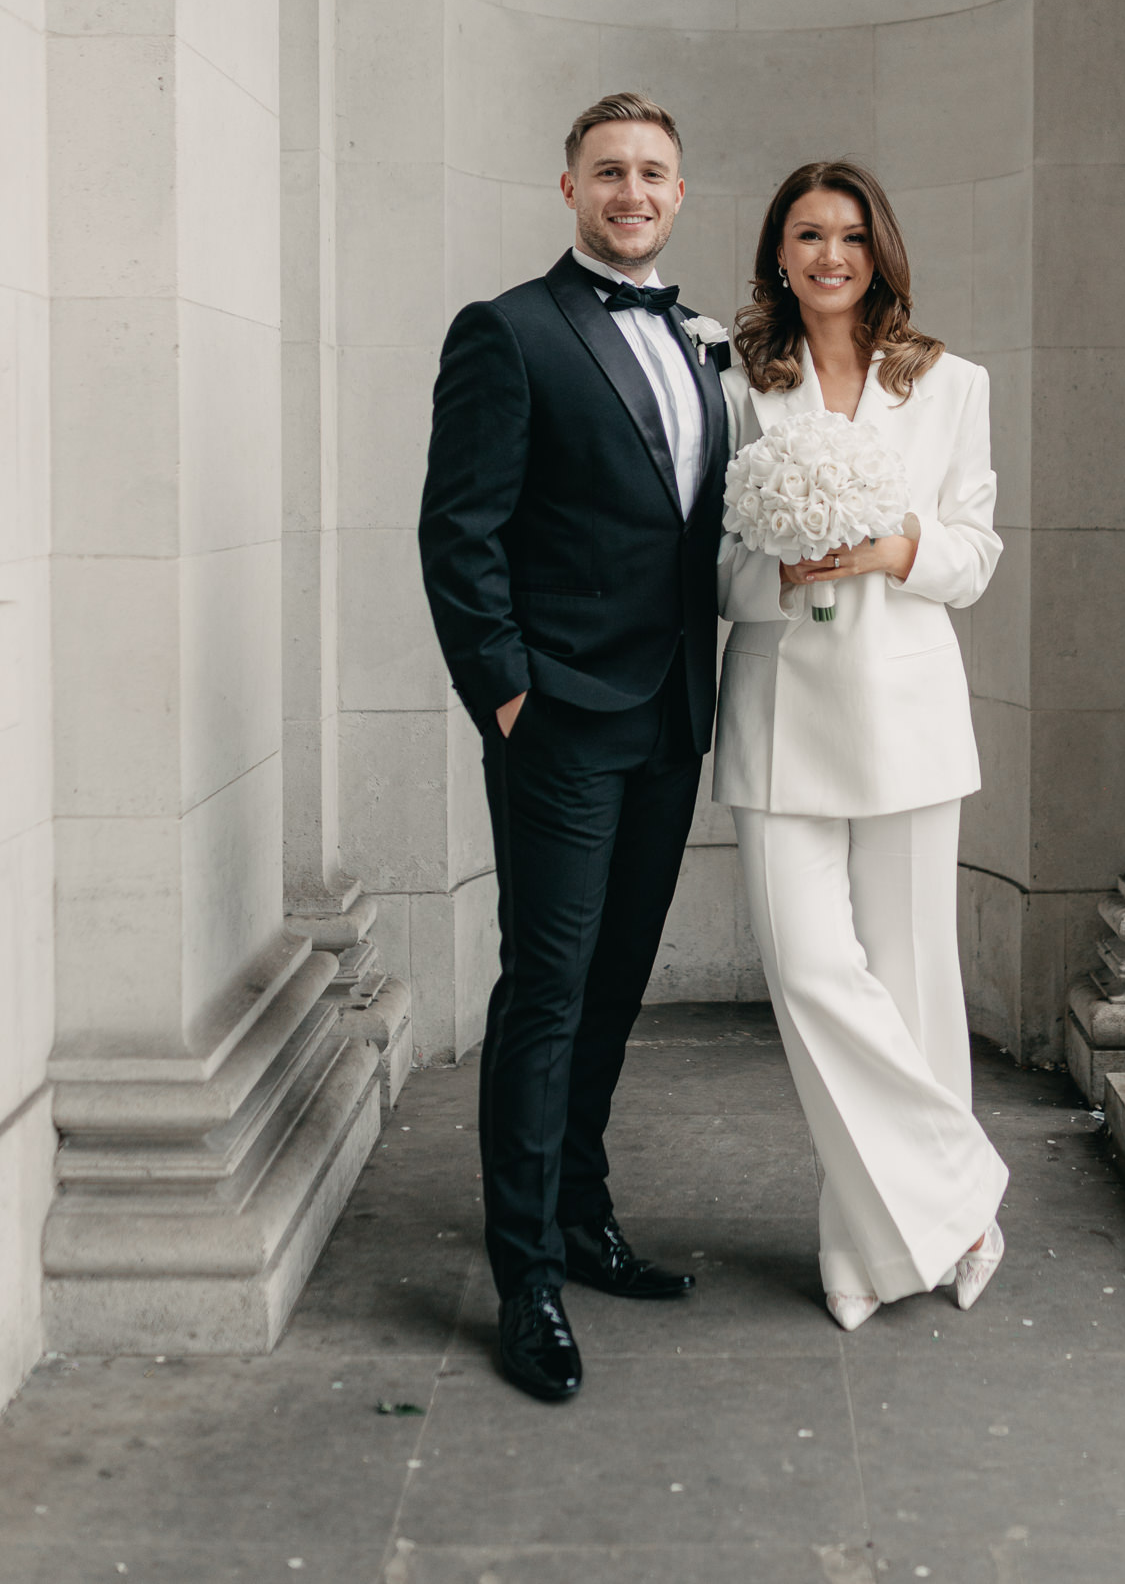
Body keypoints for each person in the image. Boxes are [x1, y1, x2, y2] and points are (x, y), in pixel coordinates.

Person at [418, 92, 729, 1403]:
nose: (634, 188)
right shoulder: (511, 331)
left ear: (677, 189)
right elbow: (458, 530)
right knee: (544, 990)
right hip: (557, 721)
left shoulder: (706, 337)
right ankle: (526, 1272)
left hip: (668, 715)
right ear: (570, 188)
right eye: (610, 170)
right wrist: (506, 697)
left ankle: (586, 1216)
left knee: (613, 985)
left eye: (654, 170)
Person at [714, 162, 1008, 1330]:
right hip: (780, 709)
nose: (828, 255)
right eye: (804, 235)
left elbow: (974, 557)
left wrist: (892, 550)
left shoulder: (950, 384)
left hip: (906, 715)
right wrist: (770, 568)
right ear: (777, 256)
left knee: (911, 976)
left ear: (878, 250)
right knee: (808, 971)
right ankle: (963, 1193)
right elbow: (709, 563)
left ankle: (872, 1246)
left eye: (847, 235)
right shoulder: (734, 383)